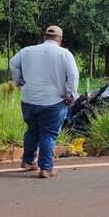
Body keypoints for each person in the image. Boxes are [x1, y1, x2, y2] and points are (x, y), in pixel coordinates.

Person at [9, 25, 79, 178]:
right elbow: (73, 77)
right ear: (59, 39)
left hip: (28, 100)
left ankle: (27, 161)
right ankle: (46, 168)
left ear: (45, 37)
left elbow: (13, 63)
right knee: (48, 134)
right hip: (53, 102)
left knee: (32, 130)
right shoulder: (65, 54)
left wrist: (19, 80)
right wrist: (70, 96)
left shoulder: (27, 51)